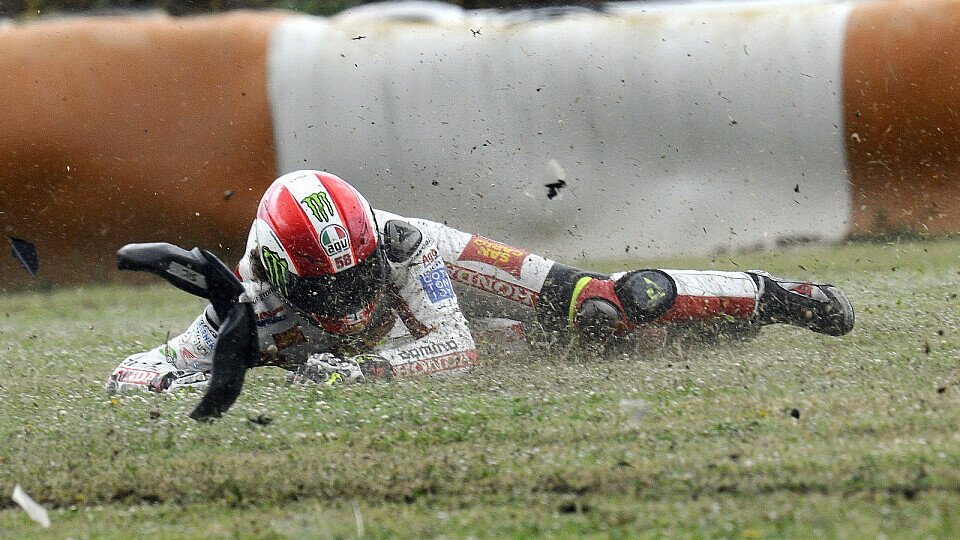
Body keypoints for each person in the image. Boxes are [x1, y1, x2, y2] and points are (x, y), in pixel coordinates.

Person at [106, 170, 854, 393]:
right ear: (277, 280)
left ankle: (771, 293)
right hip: (410, 343)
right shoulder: (248, 306)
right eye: (328, 291)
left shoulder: (401, 245)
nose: (350, 299)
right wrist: (158, 386)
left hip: (437, 292)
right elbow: (139, 368)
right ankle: (712, 339)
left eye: (357, 278)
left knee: (600, 306)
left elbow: (454, 345)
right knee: (588, 351)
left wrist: (363, 369)